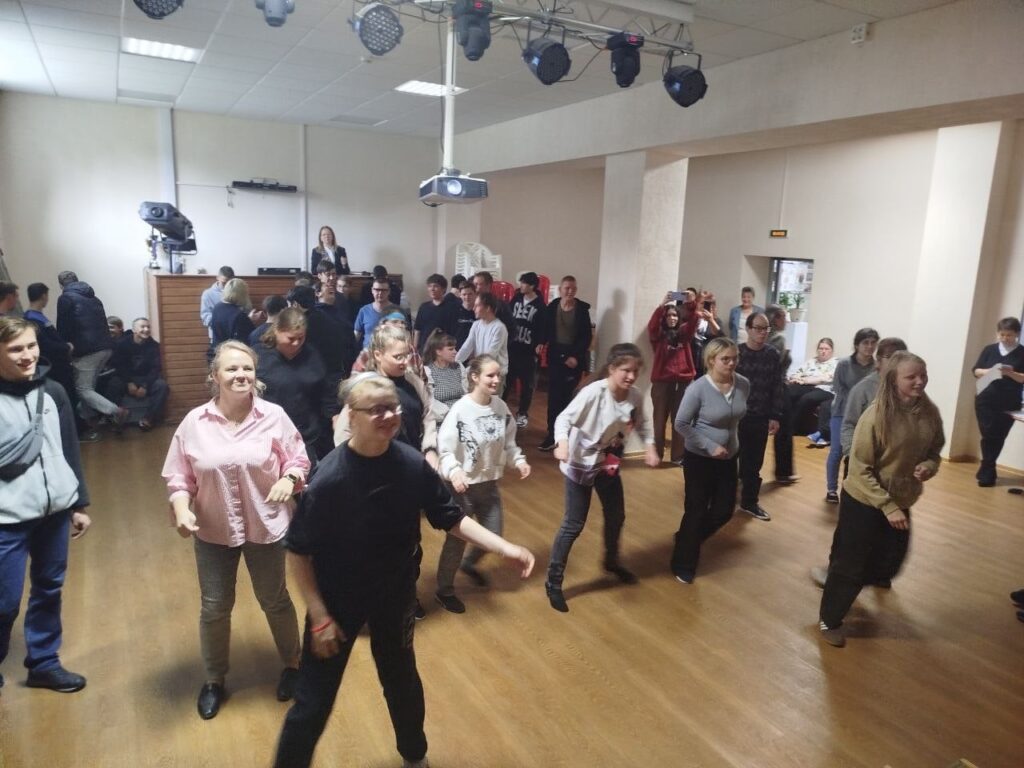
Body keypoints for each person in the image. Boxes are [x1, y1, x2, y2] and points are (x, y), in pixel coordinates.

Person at [272, 372, 534, 768]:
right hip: (337, 600)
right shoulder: (330, 477)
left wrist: (503, 547)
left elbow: (450, 517)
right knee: (313, 700)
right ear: (351, 416)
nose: (389, 415)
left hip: (395, 593)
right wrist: (320, 615)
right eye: (376, 409)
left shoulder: (411, 463)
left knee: (401, 682)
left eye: (392, 407)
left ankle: (415, 756)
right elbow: (298, 551)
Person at [161, 340, 310, 719]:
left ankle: (294, 665)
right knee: (214, 607)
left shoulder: (274, 416)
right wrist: (181, 508)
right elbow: (179, 477)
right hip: (214, 528)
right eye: (231, 368)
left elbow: (298, 459)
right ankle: (214, 679)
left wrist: (290, 478)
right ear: (215, 376)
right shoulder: (194, 423)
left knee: (274, 599)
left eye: (247, 368)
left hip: (266, 524)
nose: (241, 375)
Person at [816, 351, 944, 648]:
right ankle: (829, 618)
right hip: (865, 498)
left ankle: (844, 576)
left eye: (923, 375)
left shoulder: (929, 412)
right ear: (894, 379)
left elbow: (934, 451)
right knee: (852, 564)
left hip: (900, 499)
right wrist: (887, 506)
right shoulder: (875, 415)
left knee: (891, 561)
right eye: (911, 377)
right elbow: (859, 468)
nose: (919, 381)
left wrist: (929, 466)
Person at [0, 317, 91, 694]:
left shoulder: (53, 391)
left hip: (54, 512)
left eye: (31, 346)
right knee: (4, 601)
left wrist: (78, 503)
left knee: (49, 587)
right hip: (6, 519)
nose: (27, 355)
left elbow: (69, 449)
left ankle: (43, 662)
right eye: (15, 349)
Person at [545, 343, 660, 613]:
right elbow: (563, 419)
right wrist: (562, 443)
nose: (631, 376)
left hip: (608, 463)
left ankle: (611, 562)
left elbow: (643, 423)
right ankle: (553, 581)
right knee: (573, 524)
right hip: (580, 464)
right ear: (611, 369)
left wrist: (650, 446)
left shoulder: (634, 396)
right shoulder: (594, 393)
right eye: (625, 370)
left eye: (635, 371)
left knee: (616, 516)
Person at [434, 355, 530, 614]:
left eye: (498, 375)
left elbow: (509, 443)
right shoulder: (460, 410)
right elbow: (445, 449)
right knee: (456, 542)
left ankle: (469, 565)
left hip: (489, 486)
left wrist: (518, 460)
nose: (496, 380)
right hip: (462, 488)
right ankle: (444, 590)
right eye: (490, 375)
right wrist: (454, 471)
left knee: (493, 534)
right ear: (475, 377)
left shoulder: (501, 408)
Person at [669, 338, 749, 583]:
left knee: (724, 511)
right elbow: (681, 424)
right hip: (699, 459)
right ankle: (683, 563)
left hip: (729, 457)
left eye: (734, 358)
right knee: (696, 510)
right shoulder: (698, 389)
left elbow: (737, 417)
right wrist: (710, 445)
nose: (731, 363)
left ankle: (687, 538)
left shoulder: (743, 384)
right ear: (711, 360)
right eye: (725, 359)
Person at [256, 308, 329, 464]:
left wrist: (333, 414)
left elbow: (324, 390)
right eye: (290, 338)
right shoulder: (259, 356)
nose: (296, 343)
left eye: (301, 338)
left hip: (305, 434)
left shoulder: (312, 355)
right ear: (276, 331)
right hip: (268, 433)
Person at [55, 270, 127, 427]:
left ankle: (116, 411)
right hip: (106, 348)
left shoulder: (65, 298)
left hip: (87, 351)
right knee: (89, 388)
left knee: (83, 390)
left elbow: (63, 326)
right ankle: (90, 421)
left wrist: (64, 346)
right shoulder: (94, 298)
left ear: (61, 285)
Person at [734, 312, 784, 521]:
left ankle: (749, 502)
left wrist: (775, 415)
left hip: (761, 415)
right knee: (730, 460)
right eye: (758, 328)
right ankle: (723, 498)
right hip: (736, 416)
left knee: (754, 463)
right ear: (748, 329)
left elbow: (777, 386)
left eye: (766, 329)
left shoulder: (772, 354)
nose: (762, 333)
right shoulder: (736, 353)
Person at [824, 328, 879, 504]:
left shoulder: (876, 367)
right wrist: (857, 400)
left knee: (859, 454)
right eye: (865, 342)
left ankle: (852, 489)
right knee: (837, 451)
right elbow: (838, 388)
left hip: (866, 416)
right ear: (857, 345)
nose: (869, 346)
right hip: (842, 412)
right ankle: (831, 489)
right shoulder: (844, 364)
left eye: (873, 343)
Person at [539, 276, 593, 452]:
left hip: (574, 358)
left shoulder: (582, 310)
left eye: (573, 288)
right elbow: (546, 329)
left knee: (569, 398)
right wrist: (541, 343)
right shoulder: (552, 307)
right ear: (560, 289)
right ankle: (552, 435)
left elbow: (586, 337)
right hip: (556, 356)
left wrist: (576, 357)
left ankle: (568, 436)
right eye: (567, 288)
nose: (570, 291)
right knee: (554, 397)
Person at [23, 283, 82, 438]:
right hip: (53, 367)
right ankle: (76, 433)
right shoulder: (32, 319)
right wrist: (66, 347)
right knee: (66, 398)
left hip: (58, 365)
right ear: (44, 296)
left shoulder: (36, 317)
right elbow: (45, 345)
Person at [647, 293, 700, 465]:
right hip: (662, 383)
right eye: (669, 315)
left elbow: (693, 321)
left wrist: (691, 303)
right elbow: (652, 326)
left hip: (683, 383)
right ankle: (657, 455)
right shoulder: (658, 336)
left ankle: (678, 456)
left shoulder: (684, 334)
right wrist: (662, 305)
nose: (672, 318)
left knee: (681, 420)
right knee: (659, 420)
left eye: (675, 315)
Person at [972, 317, 1024, 487]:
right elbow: (976, 371)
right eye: (1002, 334)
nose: (1005, 338)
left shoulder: (1022, 352)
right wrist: (991, 371)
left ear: (1017, 334)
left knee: (998, 436)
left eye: (1009, 335)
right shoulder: (990, 349)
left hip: (1009, 402)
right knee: (988, 434)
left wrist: (1010, 373)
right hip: (985, 399)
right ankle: (988, 469)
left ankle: (986, 469)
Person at [839, 337, 908, 460]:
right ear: (879, 361)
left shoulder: (909, 387)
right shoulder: (863, 389)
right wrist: (853, 455)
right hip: (865, 459)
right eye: (890, 357)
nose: (896, 362)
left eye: (902, 358)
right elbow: (849, 425)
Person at [107, 317, 169, 431]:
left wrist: (145, 386)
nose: (146, 329)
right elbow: (120, 366)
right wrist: (129, 382)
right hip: (127, 379)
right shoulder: (122, 344)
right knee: (113, 384)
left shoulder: (154, 346)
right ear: (134, 330)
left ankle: (148, 419)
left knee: (162, 386)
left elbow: (155, 368)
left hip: (145, 379)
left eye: (148, 327)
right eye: (143, 327)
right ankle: (117, 418)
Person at [504, 272, 546, 429]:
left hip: (528, 351)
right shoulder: (516, 299)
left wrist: (540, 343)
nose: (520, 286)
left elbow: (543, 327)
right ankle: (501, 411)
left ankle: (522, 413)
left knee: (527, 384)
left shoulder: (540, 306)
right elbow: (508, 317)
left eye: (524, 283)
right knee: (506, 382)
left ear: (532, 286)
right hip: (512, 348)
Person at [765, 304, 797, 483]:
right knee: (784, 431)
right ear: (776, 319)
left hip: (767, 387)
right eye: (784, 316)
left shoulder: (765, 337)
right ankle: (784, 473)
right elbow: (775, 367)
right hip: (778, 388)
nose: (786, 320)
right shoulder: (778, 339)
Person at [788, 338, 837, 446]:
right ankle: (780, 423)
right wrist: (796, 379)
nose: (823, 351)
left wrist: (805, 380)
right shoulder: (811, 361)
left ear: (831, 351)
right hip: (807, 386)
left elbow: (825, 379)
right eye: (821, 348)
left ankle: (792, 428)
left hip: (825, 389)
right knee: (790, 391)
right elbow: (796, 373)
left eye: (826, 349)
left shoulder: (836, 363)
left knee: (807, 398)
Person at [456, 292, 508, 376]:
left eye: (477, 306)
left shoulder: (499, 328)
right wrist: (453, 363)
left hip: (495, 374)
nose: (473, 308)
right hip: (480, 369)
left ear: (487, 308)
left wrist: (469, 370)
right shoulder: (476, 325)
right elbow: (467, 347)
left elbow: (490, 355)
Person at [423, 330, 466, 425]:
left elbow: (467, 394)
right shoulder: (427, 371)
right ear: (438, 352)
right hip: (441, 420)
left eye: (455, 349)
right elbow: (429, 402)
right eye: (451, 349)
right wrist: (450, 413)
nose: (455, 352)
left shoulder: (458, 367)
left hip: (462, 416)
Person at [211, 278, 263, 353]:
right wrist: (250, 321)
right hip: (231, 353)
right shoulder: (239, 314)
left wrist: (248, 319)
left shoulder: (217, 307)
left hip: (217, 350)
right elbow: (246, 339)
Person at [413, 274, 458, 354]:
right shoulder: (423, 307)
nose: (432, 289)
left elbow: (453, 332)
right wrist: (415, 350)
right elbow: (417, 330)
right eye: (430, 286)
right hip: (424, 350)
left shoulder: (451, 308)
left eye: (436, 286)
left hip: (442, 349)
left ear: (444, 289)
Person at [354, 277, 396, 349]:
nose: (380, 293)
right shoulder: (364, 310)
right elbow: (356, 335)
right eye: (377, 290)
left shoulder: (397, 311)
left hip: (389, 353)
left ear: (389, 291)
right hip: (368, 353)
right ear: (372, 290)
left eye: (383, 290)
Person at [200, 266, 235, 342]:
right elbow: (205, 316)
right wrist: (224, 322)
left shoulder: (237, 292)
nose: (227, 286)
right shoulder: (208, 294)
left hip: (235, 335)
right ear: (217, 278)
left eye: (230, 283)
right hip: (216, 335)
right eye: (224, 283)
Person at [454, 282, 476, 350]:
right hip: (457, 351)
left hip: (476, 351)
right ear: (460, 295)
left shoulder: (480, 312)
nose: (467, 297)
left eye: (470, 294)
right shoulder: (453, 311)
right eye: (464, 294)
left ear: (475, 294)